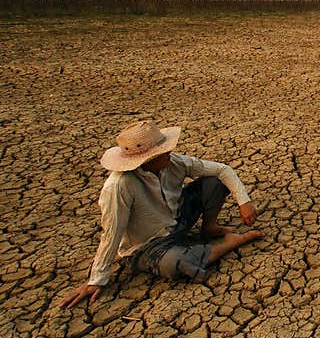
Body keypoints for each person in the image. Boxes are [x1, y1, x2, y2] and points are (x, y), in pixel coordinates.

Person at [59, 119, 264, 309]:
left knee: (214, 182)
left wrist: (244, 201)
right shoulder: (120, 186)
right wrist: (96, 279)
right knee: (176, 263)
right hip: (148, 245)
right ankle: (232, 242)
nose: (169, 152)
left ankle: (209, 227)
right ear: (145, 160)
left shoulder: (173, 163)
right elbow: (112, 231)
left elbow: (222, 170)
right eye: (162, 152)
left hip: (177, 220)